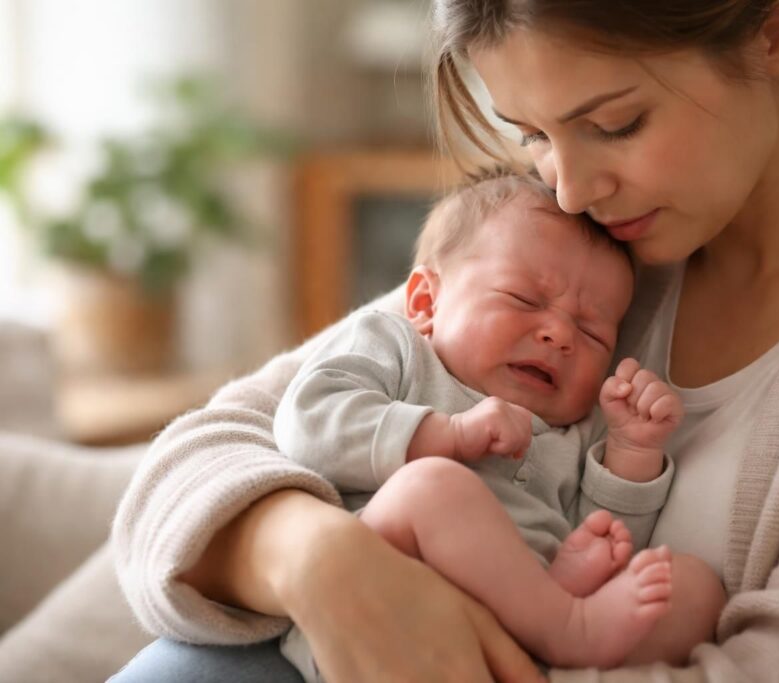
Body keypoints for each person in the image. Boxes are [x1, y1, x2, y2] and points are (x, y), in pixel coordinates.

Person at [110, 0, 779, 681]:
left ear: (777, 30)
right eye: (532, 135)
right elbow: (190, 467)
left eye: (614, 124)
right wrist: (323, 562)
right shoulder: (574, 244)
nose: (570, 189)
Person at [275, 170, 723, 679]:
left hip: (521, 620)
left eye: (592, 332)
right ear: (425, 302)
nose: (559, 335)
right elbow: (307, 423)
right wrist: (447, 435)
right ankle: (567, 627)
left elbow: (612, 536)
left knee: (691, 586)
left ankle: (552, 636)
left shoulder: (578, 425)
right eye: (524, 300)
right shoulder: (397, 348)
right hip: (381, 604)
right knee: (432, 486)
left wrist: (632, 450)